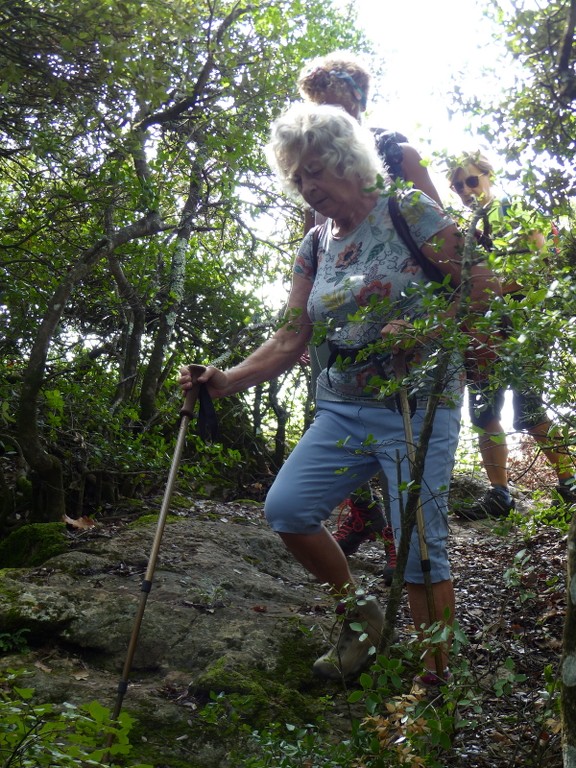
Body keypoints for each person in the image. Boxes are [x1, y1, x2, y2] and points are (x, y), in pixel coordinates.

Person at [180, 104, 502, 683]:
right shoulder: (315, 244)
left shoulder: (409, 211)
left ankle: (434, 682)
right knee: (287, 509)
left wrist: (428, 331)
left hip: (415, 405)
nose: (307, 186)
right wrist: (225, 380)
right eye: (298, 176)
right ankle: (362, 616)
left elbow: (480, 284)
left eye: (315, 171)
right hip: (341, 408)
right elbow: (291, 335)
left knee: (420, 547)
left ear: (348, 163)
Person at [296, 51, 443, 570]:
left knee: (392, 427)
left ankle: (399, 535)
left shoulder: (396, 150)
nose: (324, 112)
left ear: (357, 97)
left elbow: (439, 245)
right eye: (315, 103)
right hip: (339, 314)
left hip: (403, 327)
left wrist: (432, 323)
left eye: (333, 101)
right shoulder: (310, 161)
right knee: (341, 394)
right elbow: (322, 239)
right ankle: (364, 511)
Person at [448, 151, 576, 519]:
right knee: (484, 410)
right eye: (458, 185)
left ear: (488, 176)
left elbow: (540, 263)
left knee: (528, 406)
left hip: (523, 323)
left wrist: (492, 291)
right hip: (483, 328)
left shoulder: (515, 210)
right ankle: (499, 494)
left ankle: (569, 481)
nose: (466, 190)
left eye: (471, 180)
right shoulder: (465, 227)